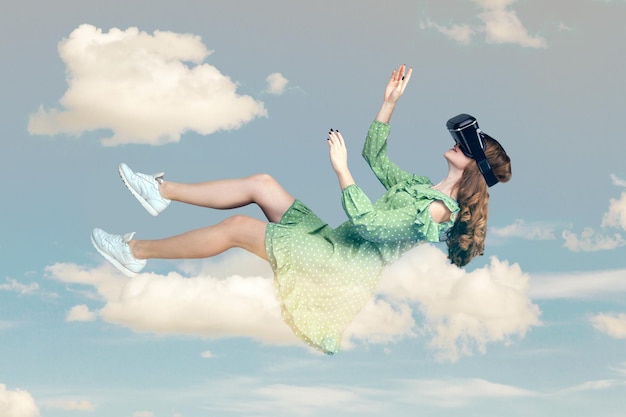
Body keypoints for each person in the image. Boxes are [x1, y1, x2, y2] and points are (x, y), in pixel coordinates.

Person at [91, 64, 512, 354]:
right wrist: (389, 102)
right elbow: (375, 156)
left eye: (466, 145)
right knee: (262, 184)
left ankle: (134, 253)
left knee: (239, 227)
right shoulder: (422, 186)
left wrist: (341, 171)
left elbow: (372, 227)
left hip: (343, 263)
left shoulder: (439, 211)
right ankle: (160, 191)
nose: (455, 142)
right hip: (334, 241)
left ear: (475, 165)